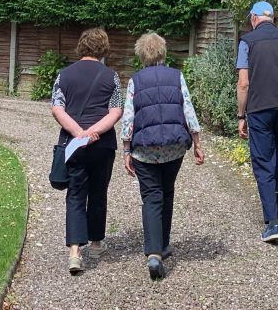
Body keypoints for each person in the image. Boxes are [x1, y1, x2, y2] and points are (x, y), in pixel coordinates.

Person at [120, 32, 205, 281]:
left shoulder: (135, 80)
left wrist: (126, 149)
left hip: (144, 150)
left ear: (141, 55)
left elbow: (129, 118)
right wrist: (197, 143)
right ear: (163, 53)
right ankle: (163, 244)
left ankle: (154, 253)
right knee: (167, 191)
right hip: (173, 148)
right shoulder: (176, 76)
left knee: (151, 197)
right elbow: (188, 110)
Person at [50, 27, 123, 275]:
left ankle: (74, 252)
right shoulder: (111, 76)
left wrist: (78, 133)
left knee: (75, 195)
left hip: (74, 145)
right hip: (102, 144)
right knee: (99, 192)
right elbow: (116, 112)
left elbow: (57, 108)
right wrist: (94, 132)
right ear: (103, 48)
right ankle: (95, 243)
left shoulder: (63, 75)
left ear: (81, 46)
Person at [236, 1, 278, 244]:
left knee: (265, 162)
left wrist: (241, 115)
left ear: (254, 18)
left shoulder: (247, 42)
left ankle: (272, 222)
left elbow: (243, 83)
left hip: (259, 109)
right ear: (273, 18)